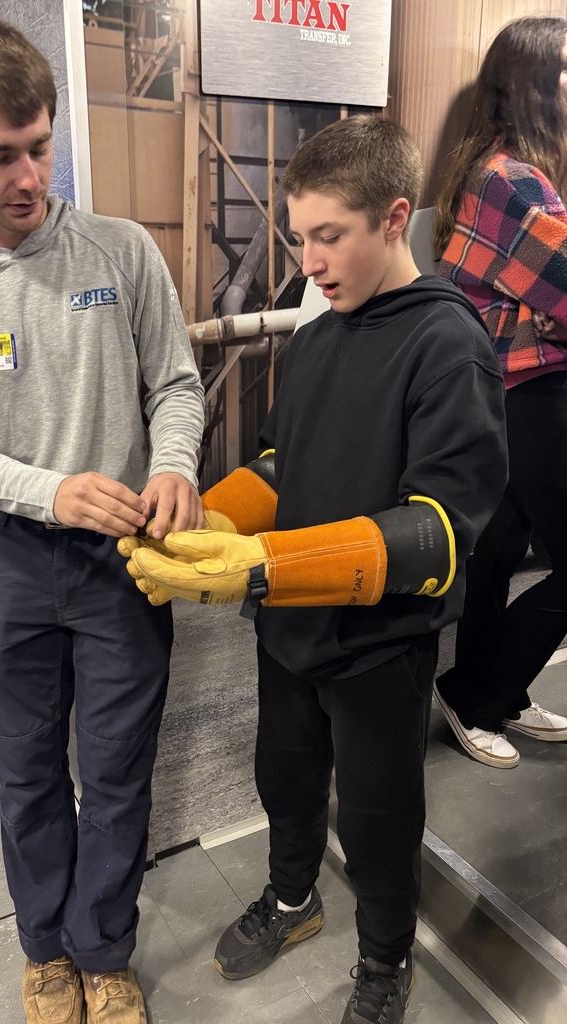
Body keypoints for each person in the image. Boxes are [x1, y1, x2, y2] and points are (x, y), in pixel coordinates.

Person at [121, 115, 508, 1024]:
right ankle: (293, 901)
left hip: (379, 644)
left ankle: (385, 960)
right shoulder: (323, 331)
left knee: (377, 821)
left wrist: (257, 565)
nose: (310, 261)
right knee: (285, 779)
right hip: (289, 626)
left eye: (329, 236)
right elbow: (281, 463)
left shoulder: (449, 347)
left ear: (394, 218)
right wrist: (215, 516)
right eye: (300, 238)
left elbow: (439, 534)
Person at [0, 18, 204, 1024]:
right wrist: (52, 490)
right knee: (28, 780)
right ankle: (44, 950)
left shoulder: (121, 252)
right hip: (14, 564)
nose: (28, 175)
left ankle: (104, 951)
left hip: (123, 565)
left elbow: (177, 385)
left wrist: (173, 463)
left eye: (40, 145)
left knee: (117, 776)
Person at [432, 15, 567, 769]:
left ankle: (495, 692)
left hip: (519, 389)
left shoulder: (518, 174)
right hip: (525, 389)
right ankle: (480, 687)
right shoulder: (509, 179)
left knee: (498, 550)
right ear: (532, 83)